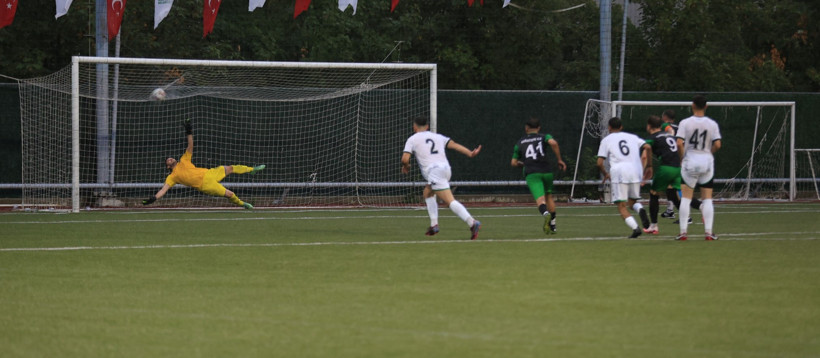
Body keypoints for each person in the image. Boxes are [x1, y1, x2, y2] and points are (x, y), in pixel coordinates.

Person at [142, 119, 265, 208]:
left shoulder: (184, 159)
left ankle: (251, 169)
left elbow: (190, 146)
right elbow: (163, 190)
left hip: (209, 173)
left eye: (170, 157)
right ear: (168, 166)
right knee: (229, 194)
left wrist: (189, 132)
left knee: (230, 168)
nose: (170, 158)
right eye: (168, 160)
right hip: (205, 185)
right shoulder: (172, 177)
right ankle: (243, 204)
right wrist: (154, 198)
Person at [401, 116, 483, 240]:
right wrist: (470, 153)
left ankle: (472, 222)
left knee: (450, 201)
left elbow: (405, 159)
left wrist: (406, 166)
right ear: (427, 127)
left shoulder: (412, 139)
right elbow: (454, 145)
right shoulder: (438, 136)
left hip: (434, 171)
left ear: (414, 127)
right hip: (445, 169)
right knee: (427, 193)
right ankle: (434, 225)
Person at [644, 115, 701, 234]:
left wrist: (649, 166)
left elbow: (647, 149)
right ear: (660, 126)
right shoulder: (671, 136)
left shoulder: (652, 138)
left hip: (666, 168)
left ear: (649, 126)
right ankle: (703, 208)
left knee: (654, 194)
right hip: (677, 168)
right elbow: (681, 145)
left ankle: (654, 225)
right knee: (674, 194)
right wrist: (681, 159)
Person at [675, 95, 722, 241]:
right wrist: (709, 152)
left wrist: (682, 158)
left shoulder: (685, 123)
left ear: (692, 105)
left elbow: (678, 143)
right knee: (707, 198)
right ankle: (708, 232)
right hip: (706, 162)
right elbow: (718, 144)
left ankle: (683, 232)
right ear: (706, 106)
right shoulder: (712, 124)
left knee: (686, 198)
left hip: (690, 161)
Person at [596, 117, 651, 238]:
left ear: (609, 127)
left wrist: (605, 173)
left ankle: (636, 229)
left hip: (619, 171)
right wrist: (649, 166)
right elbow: (647, 147)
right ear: (621, 127)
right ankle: (640, 209)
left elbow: (599, 163)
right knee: (632, 202)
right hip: (636, 170)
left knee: (621, 205)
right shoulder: (632, 137)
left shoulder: (607, 140)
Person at [511, 117, 567, 234]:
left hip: (532, 173)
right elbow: (553, 143)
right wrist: (559, 160)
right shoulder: (544, 137)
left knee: (541, 201)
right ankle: (553, 225)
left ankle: (546, 214)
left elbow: (514, 163)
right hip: (547, 171)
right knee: (549, 196)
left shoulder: (520, 142)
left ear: (526, 128)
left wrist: (523, 164)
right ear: (539, 128)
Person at [659, 109, 679, 219]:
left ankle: (687, 215)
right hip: (679, 157)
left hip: (672, 159)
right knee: (671, 186)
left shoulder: (665, 126)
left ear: (665, 117)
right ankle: (670, 210)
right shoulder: (680, 127)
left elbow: (670, 132)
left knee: (675, 187)